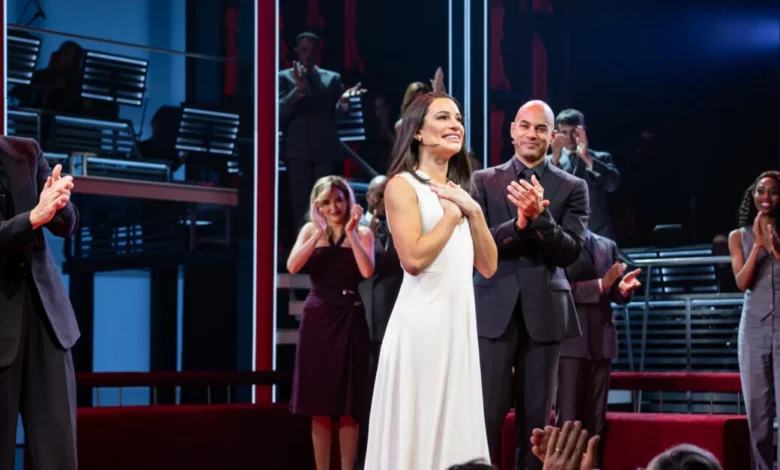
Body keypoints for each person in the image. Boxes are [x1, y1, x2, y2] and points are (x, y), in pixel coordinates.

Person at [365, 92, 497, 469]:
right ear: (419, 133)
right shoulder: (403, 186)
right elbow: (414, 259)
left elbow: (488, 266)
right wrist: (452, 216)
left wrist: (472, 211)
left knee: (455, 428)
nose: (455, 125)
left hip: (458, 327)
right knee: (417, 428)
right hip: (421, 327)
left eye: (458, 118)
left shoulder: (461, 194)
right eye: (443, 117)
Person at [471, 100, 589, 469]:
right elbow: (476, 246)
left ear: (553, 137)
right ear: (512, 131)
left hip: (546, 313)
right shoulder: (483, 181)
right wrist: (518, 226)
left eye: (541, 129)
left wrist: (541, 218)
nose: (531, 134)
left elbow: (570, 252)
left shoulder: (573, 186)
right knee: (484, 415)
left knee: (536, 423)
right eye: (525, 126)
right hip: (492, 310)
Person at [0, 136, 80, 470]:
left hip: (47, 320)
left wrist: (59, 203)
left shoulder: (26, 151)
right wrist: (33, 217)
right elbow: (32, 218)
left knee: (59, 455)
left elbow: (69, 223)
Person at [286, 175, 375, 470]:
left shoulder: (362, 233)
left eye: (339, 200)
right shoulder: (310, 230)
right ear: (317, 205)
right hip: (318, 320)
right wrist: (318, 233)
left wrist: (350, 233)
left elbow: (367, 271)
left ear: (348, 200)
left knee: (349, 407)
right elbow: (292, 266)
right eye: (326, 202)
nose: (334, 207)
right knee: (319, 406)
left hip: (349, 317)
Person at [555, 231, 641, 467]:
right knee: (568, 420)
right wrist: (601, 284)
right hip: (570, 343)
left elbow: (614, 292)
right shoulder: (556, 243)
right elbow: (558, 290)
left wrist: (622, 289)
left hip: (601, 342)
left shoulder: (607, 245)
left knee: (595, 422)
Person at [279, 31, 366, 232]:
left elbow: (338, 116)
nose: (308, 55)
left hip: (324, 149)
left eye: (312, 50)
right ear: (297, 51)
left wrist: (344, 103)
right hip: (297, 151)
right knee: (300, 204)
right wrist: (298, 90)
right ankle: (303, 244)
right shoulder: (284, 78)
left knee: (326, 201)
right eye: (304, 50)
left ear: (318, 52)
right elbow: (279, 112)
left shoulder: (331, 78)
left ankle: (326, 242)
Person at [727, 170, 780, 470]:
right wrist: (759, 245)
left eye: (773, 191)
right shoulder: (739, 237)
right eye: (761, 190)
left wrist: (776, 248)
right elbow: (741, 282)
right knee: (758, 415)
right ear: (753, 195)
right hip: (753, 329)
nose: (766, 197)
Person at [550, 109, 620, 240]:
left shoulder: (601, 158)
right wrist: (554, 160)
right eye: (564, 132)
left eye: (574, 132)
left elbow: (613, 185)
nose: (569, 137)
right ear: (556, 134)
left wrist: (586, 157)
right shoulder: (548, 162)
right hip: (563, 236)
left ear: (583, 131)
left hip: (599, 234)